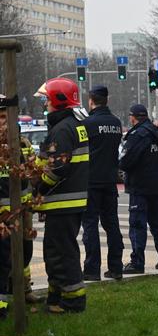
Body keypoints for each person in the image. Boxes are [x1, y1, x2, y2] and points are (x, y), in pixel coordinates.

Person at [32, 78, 89, 313]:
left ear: (58, 100)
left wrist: (39, 190)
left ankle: (73, 301)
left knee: (62, 253)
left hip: (62, 201)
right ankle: (56, 298)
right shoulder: (70, 124)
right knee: (54, 251)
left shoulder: (63, 128)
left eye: (46, 99)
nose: (45, 104)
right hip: (67, 201)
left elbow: (57, 168)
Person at [0, 95, 42, 319]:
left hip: (23, 210)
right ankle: (6, 293)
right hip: (2, 214)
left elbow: (33, 172)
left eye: (5, 117)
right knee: (3, 257)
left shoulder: (22, 143)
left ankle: (24, 289)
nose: (3, 122)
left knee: (25, 251)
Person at [120, 104, 158, 274]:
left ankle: (137, 262)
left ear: (133, 117)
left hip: (140, 187)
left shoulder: (138, 135)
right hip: (157, 187)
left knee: (137, 225)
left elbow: (126, 161)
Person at [82, 86, 124, 281]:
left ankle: (92, 270)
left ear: (91, 101)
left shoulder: (88, 123)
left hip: (91, 181)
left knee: (90, 225)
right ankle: (116, 267)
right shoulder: (116, 123)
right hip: (109, 181)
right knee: (112, 224)